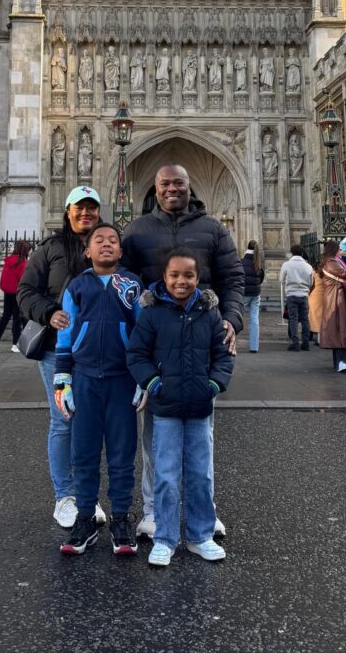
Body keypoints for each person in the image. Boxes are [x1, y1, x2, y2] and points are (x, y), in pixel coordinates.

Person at [120, 163, 243, 540]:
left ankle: (202, 511)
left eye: (178, 183)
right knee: (156, 437)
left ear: (190, 187)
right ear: (155, 190)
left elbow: (233, 277)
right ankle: (155, 512)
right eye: (164, 184)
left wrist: (232, 320)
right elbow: (121, 283)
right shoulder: (137, 229)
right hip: (158, 346)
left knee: (201, 437)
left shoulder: (213, 229)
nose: (171, 189)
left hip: (201, 347)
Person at [128, 248, 234, 567]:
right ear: (164, 277)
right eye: (174, 275)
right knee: (166, 473)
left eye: (188, 275)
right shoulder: (153, 312)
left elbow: (223, 355)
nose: (181, 281)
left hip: (200, 405)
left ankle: (201, 535)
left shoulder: (209, 312)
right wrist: (154, 384)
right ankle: (165, 537)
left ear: (197, 278)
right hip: (166, 407)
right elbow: (136, 354)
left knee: (201, 474)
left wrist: (213, 385)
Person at [17, 185, 107, 528]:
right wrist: (48, 312)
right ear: (67, 211)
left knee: (89, 423)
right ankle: (64, 497)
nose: (86, 213)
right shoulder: (50, 248)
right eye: (79, 207)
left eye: (92, 207)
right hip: (58, 350)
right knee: (63, 419)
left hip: (98, 350)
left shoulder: (107, 245)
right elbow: (26, 292)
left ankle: (86, 495)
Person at [55, 223, 143, 556]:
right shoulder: (76, 286)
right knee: (84, 454)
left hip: (122, 380)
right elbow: (66, 333)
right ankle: (85, 518)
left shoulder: (132, 284)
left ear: (121, 251)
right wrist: (62, 378)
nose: (106, 245)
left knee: (122, 454)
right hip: (85, 379)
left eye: (113, 241)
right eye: (99, 240)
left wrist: (141, 376)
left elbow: (142, 332)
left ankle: (121, 518)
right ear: (87, 251)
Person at [318, 240, 346, 372]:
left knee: (338, 329)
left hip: (335, 295)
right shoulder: (331, 262)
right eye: (339, 249)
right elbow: (344, 274)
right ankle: (342, 361)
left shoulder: (329, 261)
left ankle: (340, 361)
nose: (341, 251)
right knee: (340, 328)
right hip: (336, 297)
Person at [0, 239, 32, 351]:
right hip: (17, 293)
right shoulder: (23, 263)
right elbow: (24, 280)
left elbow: (5, 277)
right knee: (17, 318)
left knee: (6, 316)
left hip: (8, 292)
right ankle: (15, 344)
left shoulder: (9, 261)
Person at [280, 244, 315, 351]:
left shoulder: (286, 264)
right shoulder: (308, 266)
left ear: (291, 252)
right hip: (304, 295)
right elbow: (311, 282)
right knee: (305, 320)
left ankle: (295, 343)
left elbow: (281, 279)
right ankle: (305, 343)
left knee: (293, 319)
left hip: (292, 294)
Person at [242, 240, 265, 353]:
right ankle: (254, 347)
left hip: (243, 294)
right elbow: (261, 277)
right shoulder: (258, 262)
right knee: (254, 320)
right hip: (255, 294)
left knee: (235, 317)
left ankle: (230, 343)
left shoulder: (241, 262)